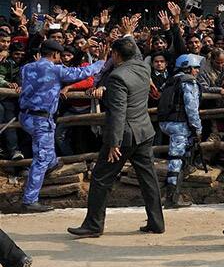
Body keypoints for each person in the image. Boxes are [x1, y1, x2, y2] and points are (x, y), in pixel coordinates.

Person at [69, 32, 164, 237]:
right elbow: (133, 50)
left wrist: (114, 143)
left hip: (125, 135)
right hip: (145, 131)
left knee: (101, 178)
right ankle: (157, 222)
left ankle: (94, 225)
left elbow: (118, 113)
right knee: (148, 179)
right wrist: (127, 33)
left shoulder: (117, 76)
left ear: (116, 55)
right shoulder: (143, 66)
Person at [19, 39, 105, 212]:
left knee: (47, 151)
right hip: (41, 119)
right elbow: (84, 72)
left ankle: (51, 164)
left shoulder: (27, 68)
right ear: (56, 54)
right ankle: (30, 200)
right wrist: (102, 60)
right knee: (41, 158)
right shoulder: (56, 69)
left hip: (25, 116)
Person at [158, 54, 203, 209]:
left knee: (177, 157)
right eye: (196, 68)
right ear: (188, 67)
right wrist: (198, 128)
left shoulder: (171, 80)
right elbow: (191, 108)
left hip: (166, 123)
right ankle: (172, 198)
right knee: (176, 159)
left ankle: (172, 194)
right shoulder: (189, 82)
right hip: (179, 124)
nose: (197, 71)